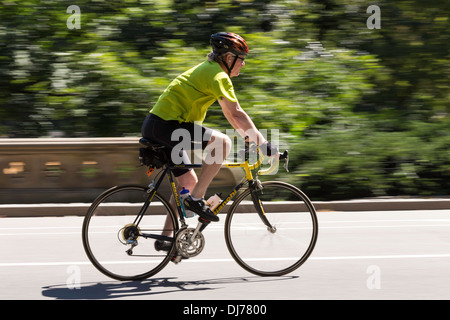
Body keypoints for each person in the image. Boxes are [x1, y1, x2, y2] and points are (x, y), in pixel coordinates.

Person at [141, 32, 278, 230]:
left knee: (187, 182)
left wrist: (249, 139)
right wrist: (263, 143)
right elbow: (237, 113)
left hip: (158, 125)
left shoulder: (212, 70)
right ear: (229, 58)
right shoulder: (218, 75)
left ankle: (167, 240)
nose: (244, 64)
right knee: (222, 143)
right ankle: (196, 200)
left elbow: (231, 116)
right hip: (166, 125)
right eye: (241, 59)